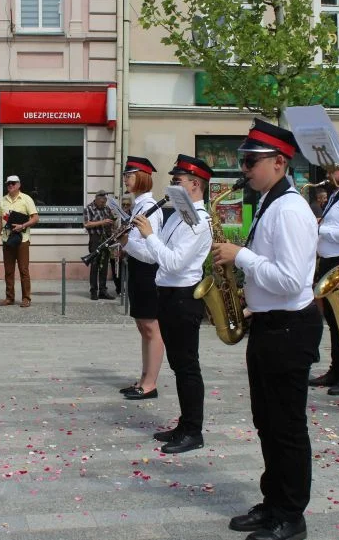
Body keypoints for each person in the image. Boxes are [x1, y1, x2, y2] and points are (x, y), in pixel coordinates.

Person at [212, 119, 323, 540]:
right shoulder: (269, 203)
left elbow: (293, 281)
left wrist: (241, 258)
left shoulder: (291, 210)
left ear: (279, 162)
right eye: (244, 160)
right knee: (267, 421)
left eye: (251, 161)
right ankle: (273, 501)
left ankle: (291, 515)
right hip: (270, 326)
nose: (245, 168)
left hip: (289, 330)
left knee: (287, 426)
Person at [132, 154, 213, 454]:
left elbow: (175, 263)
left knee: (188, 366)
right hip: (166, 294)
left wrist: (149, 236)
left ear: (194, 185)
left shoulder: (198, 221)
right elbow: (157, 257)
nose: (172, 185)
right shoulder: (178, 214)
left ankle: (194, 431)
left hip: (183, 297)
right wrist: (138, 242)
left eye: (177, 181)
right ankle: (185, 424)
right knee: (179, 366)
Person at [309, 157, 339, 396]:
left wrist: (322, 228)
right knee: (332, 318)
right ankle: (336, 369)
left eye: (334, 170)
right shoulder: (337, 194)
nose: (330, 174)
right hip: (329, 261)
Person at [117, 156, 164, 401]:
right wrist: (124, 245)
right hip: (137, 269)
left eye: (130, 175)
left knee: (150, 327)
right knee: (142, 327)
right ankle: (144, 378)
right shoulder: (137, 205)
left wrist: (126, 244)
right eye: (126, 175)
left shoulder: (149, 208)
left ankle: (150, 383)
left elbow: (150, 251)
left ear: (143, 177)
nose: (126, 179)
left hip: (148, 271)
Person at [0, 175, 39, 307]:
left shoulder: (26, 199)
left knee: (23, 270)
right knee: (8, 271)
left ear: (19, 185)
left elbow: (35, 218)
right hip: (7, 239)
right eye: (8, 183)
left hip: (22, 240)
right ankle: (9, 298)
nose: (10, 185)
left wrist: (23, 225)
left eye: (13, 183)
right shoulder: (3, 200)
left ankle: (26, 298)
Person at [83, 190, 116, 301]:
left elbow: (111, 221)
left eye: (105, 201)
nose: (103, 204)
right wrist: (102, 222)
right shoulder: (89, 208)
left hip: (106, 238)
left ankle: (103, 290)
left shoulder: (107, 209)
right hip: (95, 239)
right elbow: (87, 224)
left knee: (104, 265)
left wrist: (112, 222)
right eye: (101, 202)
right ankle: (93, 290)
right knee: (95, 264)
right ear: (96, 199)